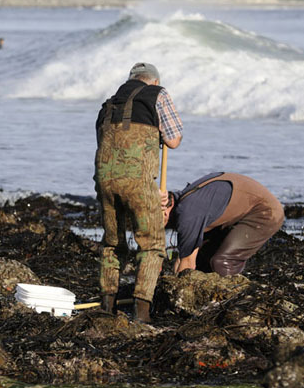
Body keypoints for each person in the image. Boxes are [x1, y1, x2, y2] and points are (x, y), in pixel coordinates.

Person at [94, 62, 184, 323]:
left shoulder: (108, 105)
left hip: (105, 181)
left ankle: (107, 307)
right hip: (137, 184)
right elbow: (174, 140)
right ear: (153, 82)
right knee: (152, 245)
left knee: (112, 244)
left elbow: (103, 145)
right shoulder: (158, 94)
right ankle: (141, 313)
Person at [161, 172, 284, 276]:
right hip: (238, 211)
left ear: (165, 214)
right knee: (203, 260)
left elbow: (187, 264)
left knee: (222, 261)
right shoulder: (185, 205)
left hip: (265, 212)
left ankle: (232, 298)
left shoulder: (188, 214)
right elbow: (183, 256)